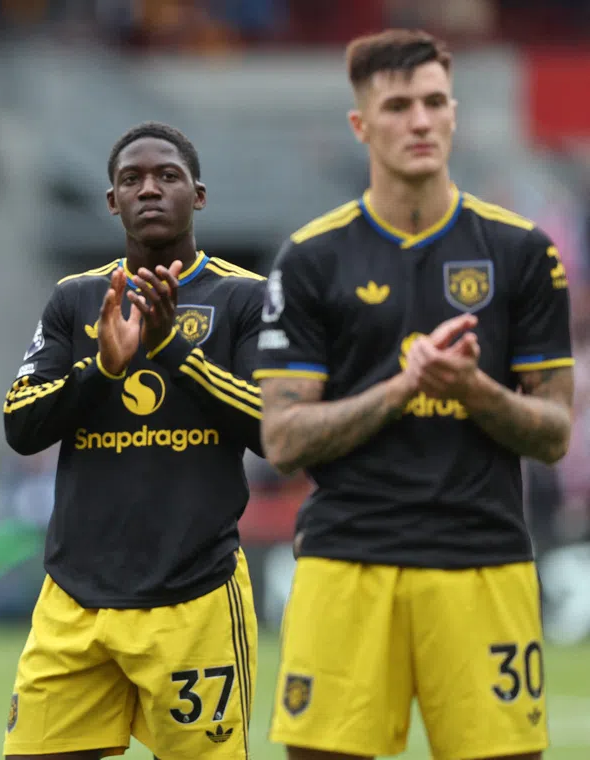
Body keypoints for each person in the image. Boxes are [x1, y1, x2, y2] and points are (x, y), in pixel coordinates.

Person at [255, 29, 574, 760]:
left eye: (434, 102)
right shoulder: (310, 259)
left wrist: (471, 389)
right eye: (398, 105)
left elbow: (555, 431)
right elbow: (283, 438)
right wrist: (403, 387)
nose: (421, 121)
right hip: (347, 563)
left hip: (482, 562)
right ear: (361, 125)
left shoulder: (522, 253)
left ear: (455, 114)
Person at [1, 121, 265, 759]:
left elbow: (273, 429)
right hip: (75, 600)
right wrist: (103, 369)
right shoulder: (76, 300)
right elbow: (21, 423)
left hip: (194, 598)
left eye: (167, 176)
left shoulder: (244, 299)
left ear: (197, 196)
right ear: (111, 202)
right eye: (131, 179)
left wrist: (174, 350)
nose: (150, 189)